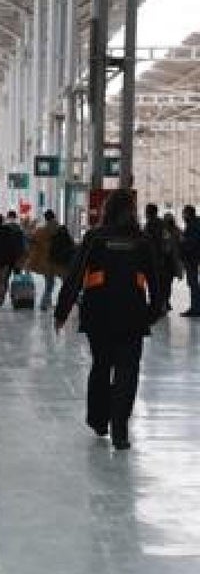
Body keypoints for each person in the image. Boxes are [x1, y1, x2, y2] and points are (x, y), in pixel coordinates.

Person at [55, 189, 162, 450]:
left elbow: (76, 275)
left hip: (98, 314)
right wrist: (152, 312)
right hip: (132, 315)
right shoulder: (142, 241)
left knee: (101, 365)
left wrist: (62, 311)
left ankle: (99, 420)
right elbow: (157, 281)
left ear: (107, 210)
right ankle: (120, 430)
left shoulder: (95, 238)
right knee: (128, 370)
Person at [26, 209, 68, 311]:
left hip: (47, 262)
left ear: (46, 218)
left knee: (49, 283)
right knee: (65, 283)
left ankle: (45, 303)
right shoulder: (62, 229)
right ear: (54, 217)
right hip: (60, 261)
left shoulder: (41, 231)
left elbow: (31, 242)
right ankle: (65, 302)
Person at [143, 203, 178, 315]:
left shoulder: (149, 225)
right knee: (163, 284)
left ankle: (158, 306)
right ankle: (163, 304)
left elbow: (146, 243)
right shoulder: (163, 224)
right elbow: (167, 241)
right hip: (164, 260)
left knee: (155, 284)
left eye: (146, 211)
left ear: (149, 212)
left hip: (155, 260)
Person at [180, 205, 200, 316]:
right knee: (194, 283)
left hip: (192, 258)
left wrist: (183, 241)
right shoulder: (195, 223)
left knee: (193, 283)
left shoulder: (193, 225)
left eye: (184, 213)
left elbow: (192, 242)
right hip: (194, 258)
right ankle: (195, 306)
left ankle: (195, 308)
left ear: (188, 213)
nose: (183, 215)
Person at [163, 211, 184, 310]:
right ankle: (166, 302)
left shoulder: (167, 231)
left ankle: (165, 302)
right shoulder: (176, 230)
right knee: (167, 283)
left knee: (166, 283)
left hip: (168, 261)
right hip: (171, 261)